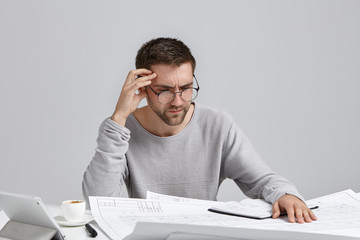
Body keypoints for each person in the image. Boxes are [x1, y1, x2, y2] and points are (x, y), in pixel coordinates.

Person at [82, 37, 317, 223]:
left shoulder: (217, 125)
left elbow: (262, 180)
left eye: (185, 88)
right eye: (164, 90)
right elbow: (99, 201)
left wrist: (286, 194)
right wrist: (120, 117)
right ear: (142, 88)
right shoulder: (120, 130)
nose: (177, 101)